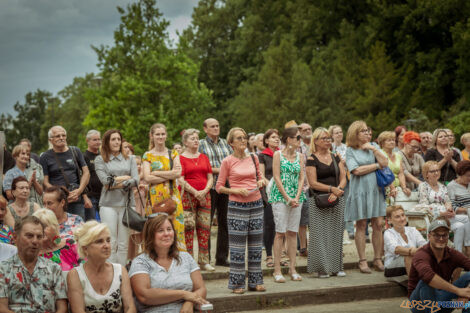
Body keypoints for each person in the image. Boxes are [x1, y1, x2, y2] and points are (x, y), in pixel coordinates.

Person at [216, 127, 266, 294]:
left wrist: (261, 182)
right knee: (237, 248)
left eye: (244, 137)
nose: (243, 140)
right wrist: (236, 191)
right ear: (231, 143)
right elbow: (219, 187)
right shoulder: (227, 161)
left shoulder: (254, 157)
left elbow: (260, 176)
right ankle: (237, 284)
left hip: (256, 204)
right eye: (239, 138)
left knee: (256, 246)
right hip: (237, 206)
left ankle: (255, 282)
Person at [129, 214, 209, 313]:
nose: (166, 234)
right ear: (150, 235)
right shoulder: (140, 262)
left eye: (169, 229)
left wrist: (189, 302)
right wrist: (183, 294)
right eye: (160, 230)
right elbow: (145, 296)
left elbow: (201, 288)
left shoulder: (185, 257)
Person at [345, 120, 389, 273]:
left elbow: (386, 162)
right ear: (355, 133)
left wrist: (373, 149)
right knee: (361, 225)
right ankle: (362, 260)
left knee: (378, 224)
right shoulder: (350, 150)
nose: (367, 133)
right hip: (360, 191)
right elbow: (355, 170)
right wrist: (376, 166)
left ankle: (377, 258)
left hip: (376, 190)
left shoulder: (374, 146)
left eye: (368, 130)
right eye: (363, 131)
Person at [0, 216, 67, 313]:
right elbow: (2, 308)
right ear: (15, 237)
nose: (35, 241)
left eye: (39, 236)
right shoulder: (3, 269)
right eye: (29, 236)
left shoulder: (54, 269)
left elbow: (62, 308)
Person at [67, 221, 136, 313]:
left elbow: (130, 308)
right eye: (99, 241)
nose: (107, 245)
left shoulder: (120, 270)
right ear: (85, 248)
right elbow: (78, 311)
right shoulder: (75, 275)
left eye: (108, 240)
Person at [306, 127, 347, 278]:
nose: (328, 141)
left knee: (336, 233)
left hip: (336, 198)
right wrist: (331, 189)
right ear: (315, 141)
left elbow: (344, 177)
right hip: (318, 199)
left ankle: (336, 267)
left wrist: (338, 191)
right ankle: (322, 267)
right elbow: (312, 183)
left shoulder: (336, 156)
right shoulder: (311, 159)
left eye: (329, 138)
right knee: (319, 234)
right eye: (324, 138)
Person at [95, 129, 139, 266]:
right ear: (107, 142)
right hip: (108, 205)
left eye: (118, 139)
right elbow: (105, 182)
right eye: (113, 139)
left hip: (127, 204)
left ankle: (122, 273)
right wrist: (126, 179)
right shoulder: (100, 159)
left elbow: (136, 181)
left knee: (123, 242)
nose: (116, 142)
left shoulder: (130, 159)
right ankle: (111, 272)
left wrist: (115, 181)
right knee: (111, 241)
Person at [408, 219, 470, 312]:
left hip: (442, 301)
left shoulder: (452, 253)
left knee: (468, 277)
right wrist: (458, 291)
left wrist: (467, 293)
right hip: (419, 304)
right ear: (429, 236)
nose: (441, 239)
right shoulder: (421, 254)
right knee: (425, 282)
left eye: (444, 235)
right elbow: (428, 276)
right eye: (436, 235)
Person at [269, 127, 306, 282]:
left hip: (297, 197)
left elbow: (301, 178)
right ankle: (277, 270)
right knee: (280, 233)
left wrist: (297, 196)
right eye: (297, 137)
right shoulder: (278, 154)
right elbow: (276, 177)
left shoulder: (300, 156)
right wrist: (287, 197)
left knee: (292, 232)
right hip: (280, 196)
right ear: (289, 139)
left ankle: (292, 268)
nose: (299, 140)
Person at [143, 123, 186, 251]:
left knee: (177, 229)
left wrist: (156, 173)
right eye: (157, 134)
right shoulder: (148, 155)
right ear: (152, 136)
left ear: (166, 135)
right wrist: (170, 175)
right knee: (157, 230)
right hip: (155, 198)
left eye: (162, 134)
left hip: (173, 196)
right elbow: (147, 178)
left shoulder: (173, 153)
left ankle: (178, 262)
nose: (160, 137)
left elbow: (178, 173)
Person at [179, 128, 214, 271]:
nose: (196, 141)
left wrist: (204, 191)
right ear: (185, 142)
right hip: (188, 196)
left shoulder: (204, 157)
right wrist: (194, 192)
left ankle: (204, 261)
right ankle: (189, 261)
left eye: (196, 138)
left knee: (204, 228)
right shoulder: (180, 157)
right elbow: (180, 179)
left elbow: (210, 177)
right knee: (188, 228)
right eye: (192, 138)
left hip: (205, 195)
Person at [199, 118, 233, 266]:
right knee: (206, 223)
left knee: (225, 223)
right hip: (210, 187)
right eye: (212, 126)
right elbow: (201, 165)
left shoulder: (226, 143)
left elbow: (233, 162)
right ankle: (206, 259)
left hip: (226, 187)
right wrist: (221, 170)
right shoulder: (201, 144)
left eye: (217, 125)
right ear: (205, 129)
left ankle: (222, 257)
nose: (216, 128)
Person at [418, 161, 470, 254]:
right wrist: (441, 213)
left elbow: (447, 201)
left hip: (446, 217)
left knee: (462, 224)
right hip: (432, 218)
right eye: (432, 171)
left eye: (437, 170)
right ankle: (467, 248)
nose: (436, 173)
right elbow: (424, 205)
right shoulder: (423, 186)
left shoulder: (442, 186)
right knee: (465, 219)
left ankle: (457, 253)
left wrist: (450, 209)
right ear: (426, 174)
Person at [40, 125, 90, 219]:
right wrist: (60, 194)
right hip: (57, 201)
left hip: (76, 199)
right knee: (57, 228)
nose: (61, 138)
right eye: (58, 136)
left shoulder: (75, 151)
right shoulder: (45, 157)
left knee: (78, 229)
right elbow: (45, 182)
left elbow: (86, 172)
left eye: (63, 135)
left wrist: (79, 191)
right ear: (50, 139)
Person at [258, 129, 280, 268]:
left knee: (281, 225)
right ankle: (269, 256)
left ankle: (280, 255)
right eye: (273, 137)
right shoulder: (262, 156)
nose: (276, 139)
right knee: (269, 224)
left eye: (277, 137)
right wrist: (273, 186)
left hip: (283, 192)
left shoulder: (281, 154)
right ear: (266, 141)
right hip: (269, 192)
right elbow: (261, 175)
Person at [384, 205, 426, 276]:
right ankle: (413, 286)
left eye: (403, 215)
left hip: (413, 261)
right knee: (408, 256)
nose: (402, 219)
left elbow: (424, 244)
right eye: (397, 217)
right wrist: (413, 251)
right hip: (392, 267)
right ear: (390, 220)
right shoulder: (388, 233)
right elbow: (397, 249)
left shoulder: (412, 230)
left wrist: (420, 250)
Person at [297, 123, 312, 256]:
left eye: (309, 129)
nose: (308, 131)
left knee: (316, 218)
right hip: (303, 186)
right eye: (305, 130)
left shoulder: (315, 144)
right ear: (300, 132)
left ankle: (317, 246)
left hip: (317, 184)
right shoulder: (297, 146)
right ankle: (303, 247)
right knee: (302, 219)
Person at [377, 131, 407, 197]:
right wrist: (392, 188)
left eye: (393, 140)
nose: (392, 142)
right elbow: (384, 172)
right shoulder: (380, 154)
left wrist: (404, 188)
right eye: (389, 140)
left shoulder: (398, 155)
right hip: (386, 188)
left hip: (398, 188)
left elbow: (401, 173)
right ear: (382, 143)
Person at [83, 129, 103, 221]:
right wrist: (85, 197)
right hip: (91, 197)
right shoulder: (84, 157)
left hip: (104, 196)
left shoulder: (103, 156)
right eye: (94, 140)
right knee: (95, 225)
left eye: (99, 139)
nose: (98, 142)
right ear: (87, 141)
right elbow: (81, 178)